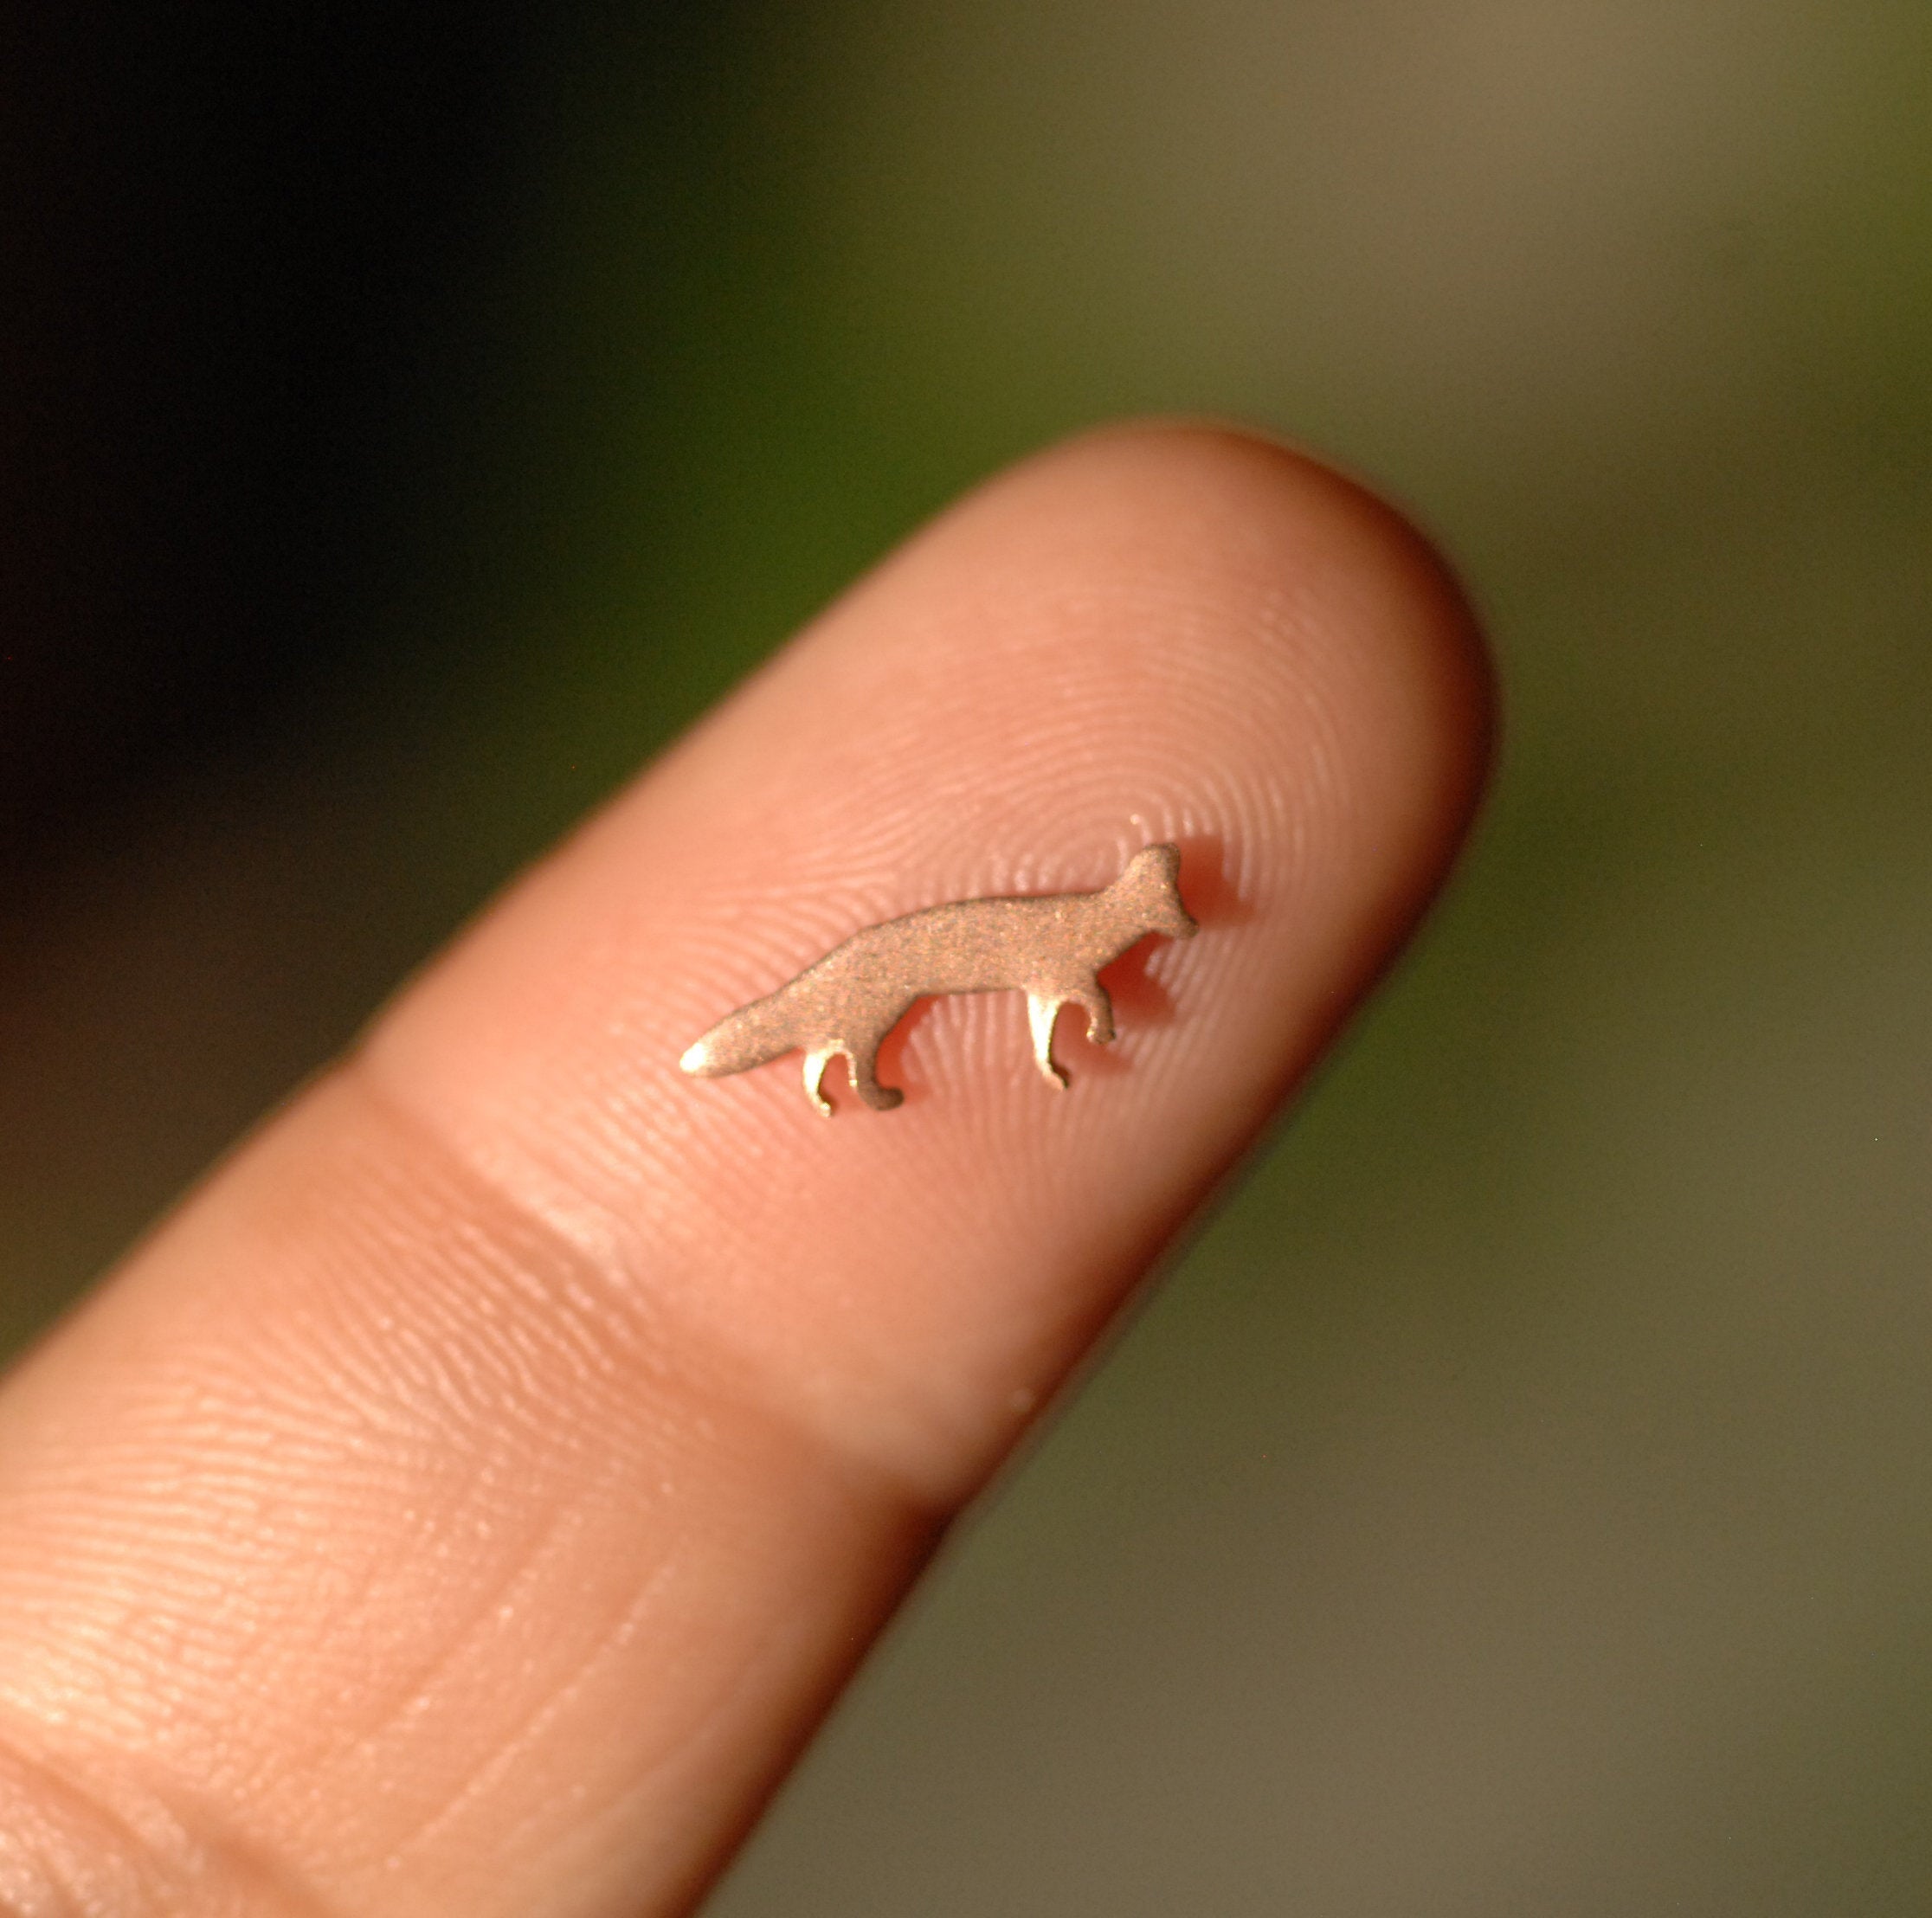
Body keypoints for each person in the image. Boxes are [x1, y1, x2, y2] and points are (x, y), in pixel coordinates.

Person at [0, 423, 1490, 1913]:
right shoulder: (1064, 938)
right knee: (848, 1016)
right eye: (1151, 912)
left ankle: (841, 1061)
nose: (1155, 924)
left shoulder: (1080, 934)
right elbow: (1049, 990)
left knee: (861, 1020)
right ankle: (835, 1061)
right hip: (890, 979)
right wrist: (1052, 1037)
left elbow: (1064, 987)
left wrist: (1074, 1024)